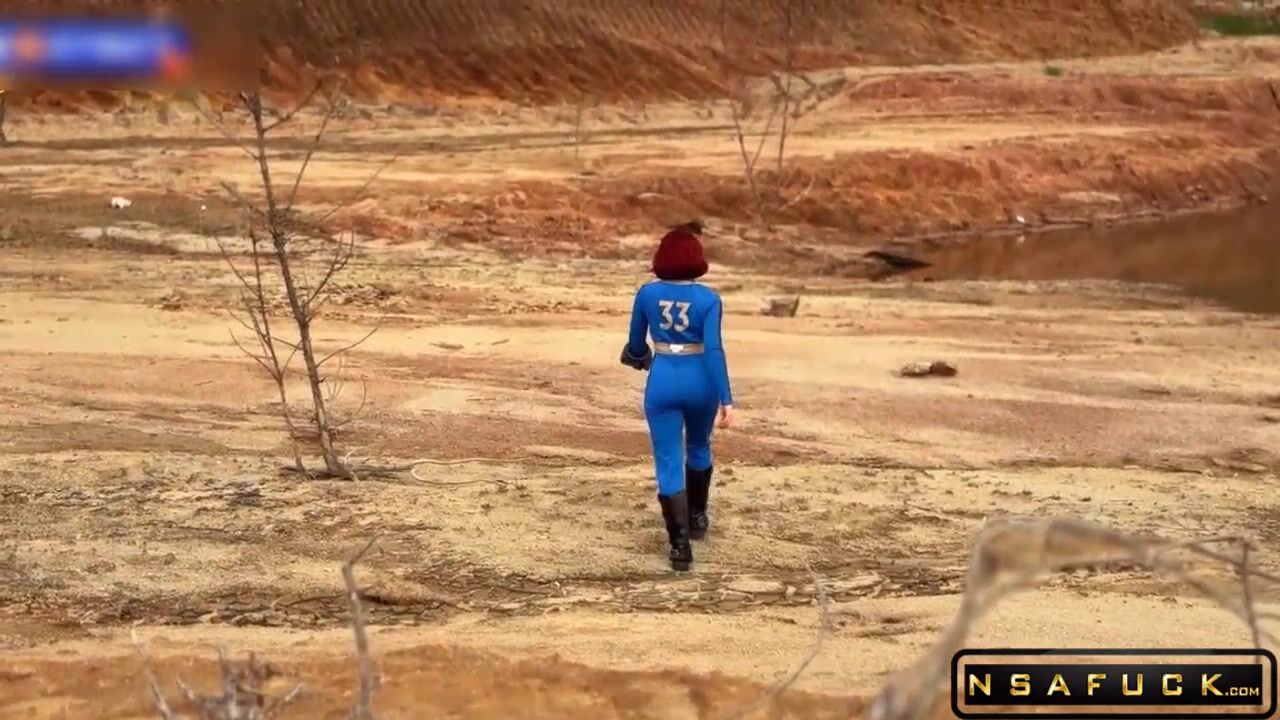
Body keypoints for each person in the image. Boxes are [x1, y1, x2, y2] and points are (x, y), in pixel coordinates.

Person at [620, 221, 734, 571]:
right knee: (699, 445)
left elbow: (636, 343)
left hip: (664, 379)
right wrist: (727, 398)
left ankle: (679, 547)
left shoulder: (646, 294)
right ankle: (697, 517)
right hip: (701, 381)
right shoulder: (710, 299)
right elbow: (714, 349)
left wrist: (639, 356)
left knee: (667, 458)